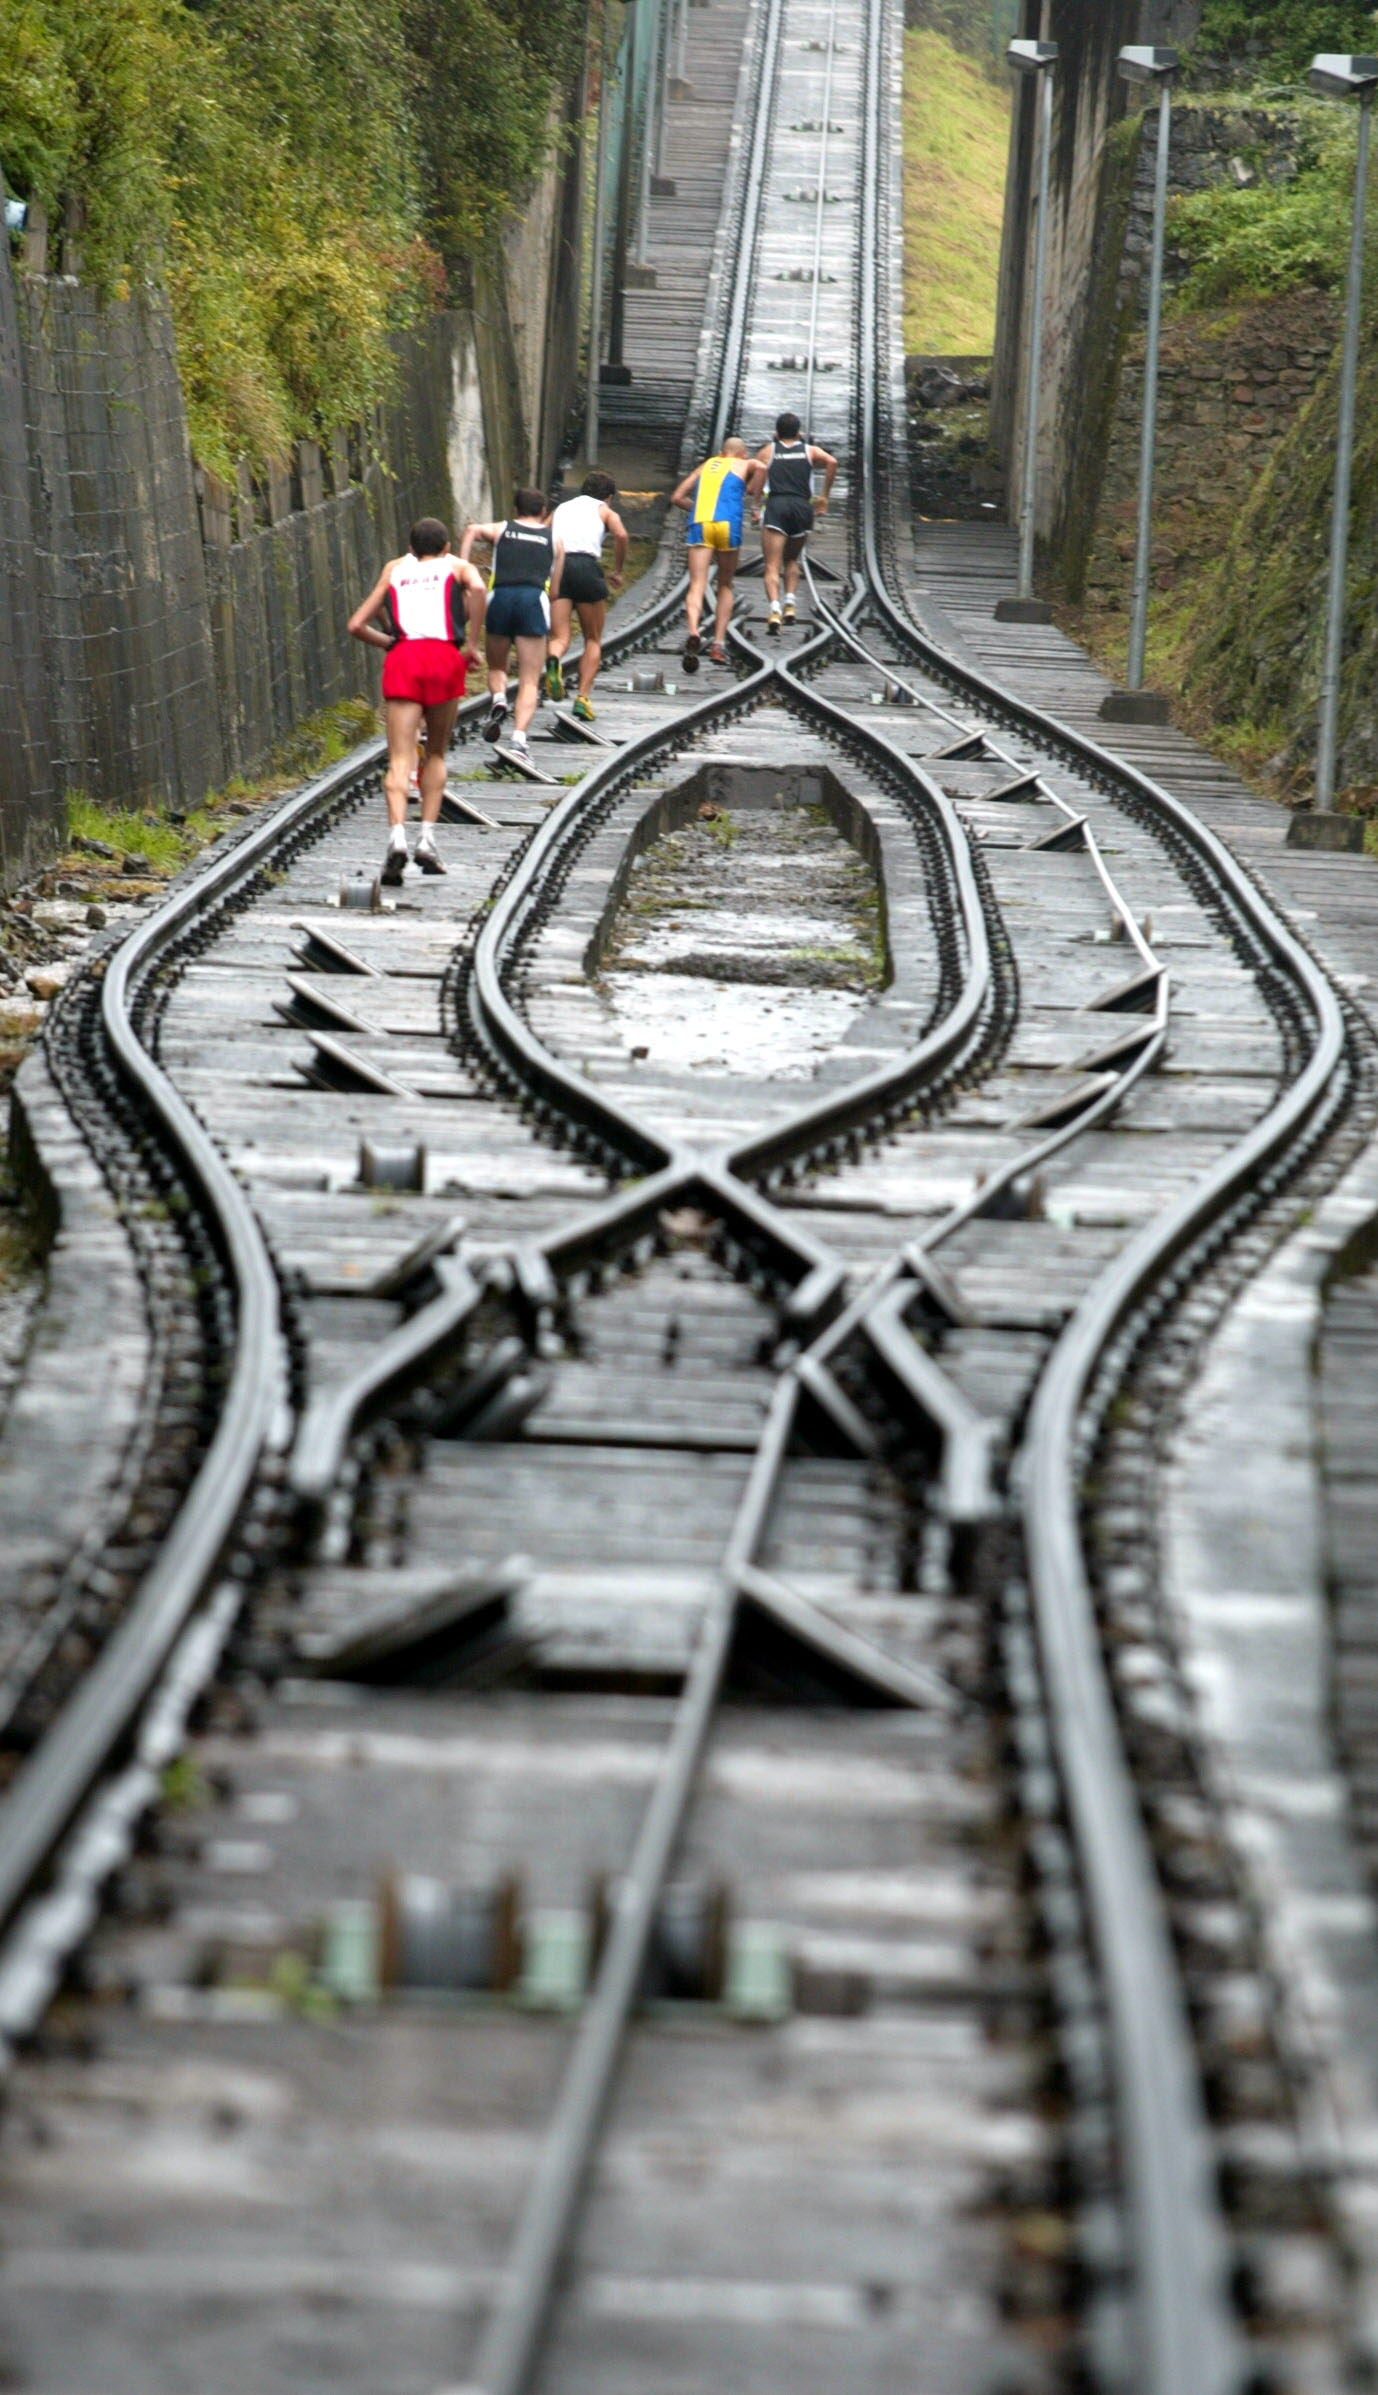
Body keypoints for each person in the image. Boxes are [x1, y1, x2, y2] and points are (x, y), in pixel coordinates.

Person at [347, 517, 484, 885]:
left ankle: (396, 838)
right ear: (445, 548)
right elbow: (479, 588)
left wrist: (388, 640)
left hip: (404, 659)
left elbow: (356, 624)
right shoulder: (457, 566)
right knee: (436, 752)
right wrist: (471, 644)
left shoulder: (394, 570)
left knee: (399, 757)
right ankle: (426, 838)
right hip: (444, 658)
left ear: (411, 548)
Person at [459, 491, 563, 762]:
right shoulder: (555, 540)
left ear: (516, 508)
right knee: (530, 679)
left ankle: (499, 700)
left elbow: (470, 530)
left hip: (500, 599)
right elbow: (556, 591)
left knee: (496, 667)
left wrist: (462, 569)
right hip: (532, 600)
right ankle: (518, 740)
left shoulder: (503, 529)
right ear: (543, 510)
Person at [669, 435, 762, 669]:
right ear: (742, 453)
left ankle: (693, 630)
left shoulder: (706, 465)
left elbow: (677, 497)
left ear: (721, 452)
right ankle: (718, 644)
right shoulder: (746, 463)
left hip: (700, 522)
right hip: (728, 524)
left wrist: (697, 509)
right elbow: (761, 467)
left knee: (697, 584)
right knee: (725, 585)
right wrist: (755, 500)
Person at [545, 471, 628, 720]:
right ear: (609, 496)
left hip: (558, 568)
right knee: (592, 639)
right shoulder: (603, 509)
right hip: (586, 566)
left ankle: (553, 659)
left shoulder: (561, 509)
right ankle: (582, 698)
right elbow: (621, 535)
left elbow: (543, 532)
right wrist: (618, 570)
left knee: (559, 637)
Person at [752, 411, 838, 632]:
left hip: (777, 506)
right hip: (802, 508)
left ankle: (774, 609)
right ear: (799, 433)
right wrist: (824, 496)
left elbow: (756, 476)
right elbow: (832, 462)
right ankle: (790, 602)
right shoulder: (809, 451)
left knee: (772, 564)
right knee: (792, 559)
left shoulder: (769, 451)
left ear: (776, 433)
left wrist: (755, 502)